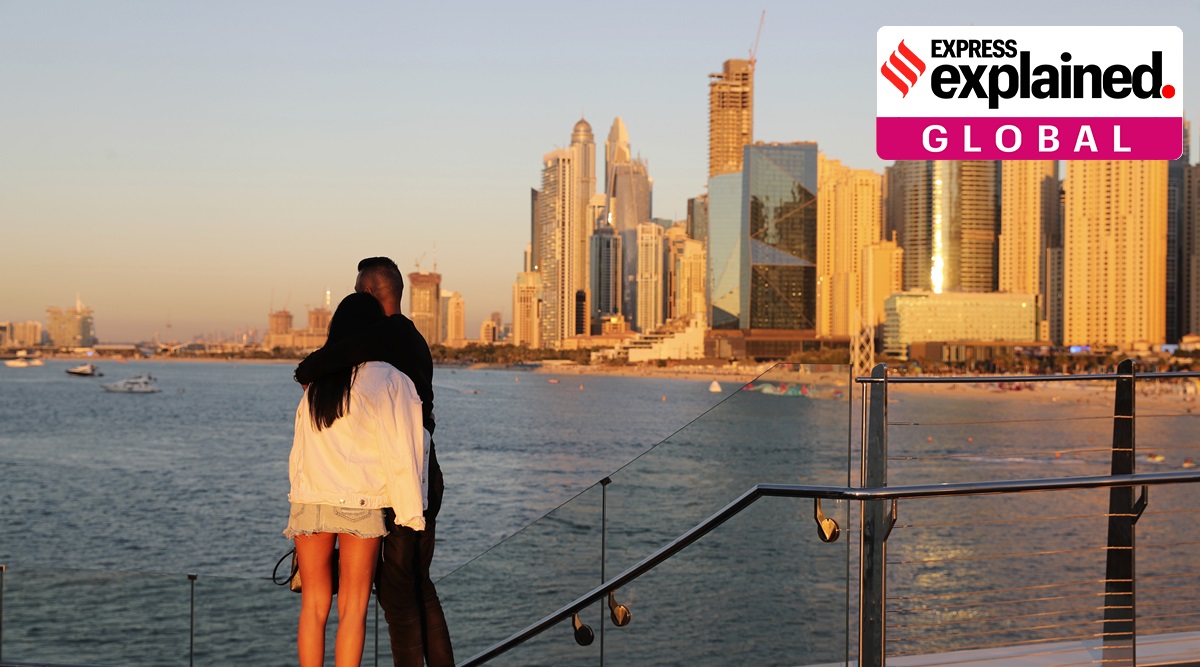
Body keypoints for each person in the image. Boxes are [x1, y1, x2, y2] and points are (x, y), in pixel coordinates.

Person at [294, 257, 454, 666]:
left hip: (393, 482)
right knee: (396, 595)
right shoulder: (405, 340)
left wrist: (408, 510)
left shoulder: (384, 341)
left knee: (401, 595)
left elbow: (325, 363)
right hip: (385, 486)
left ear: (366, 294)